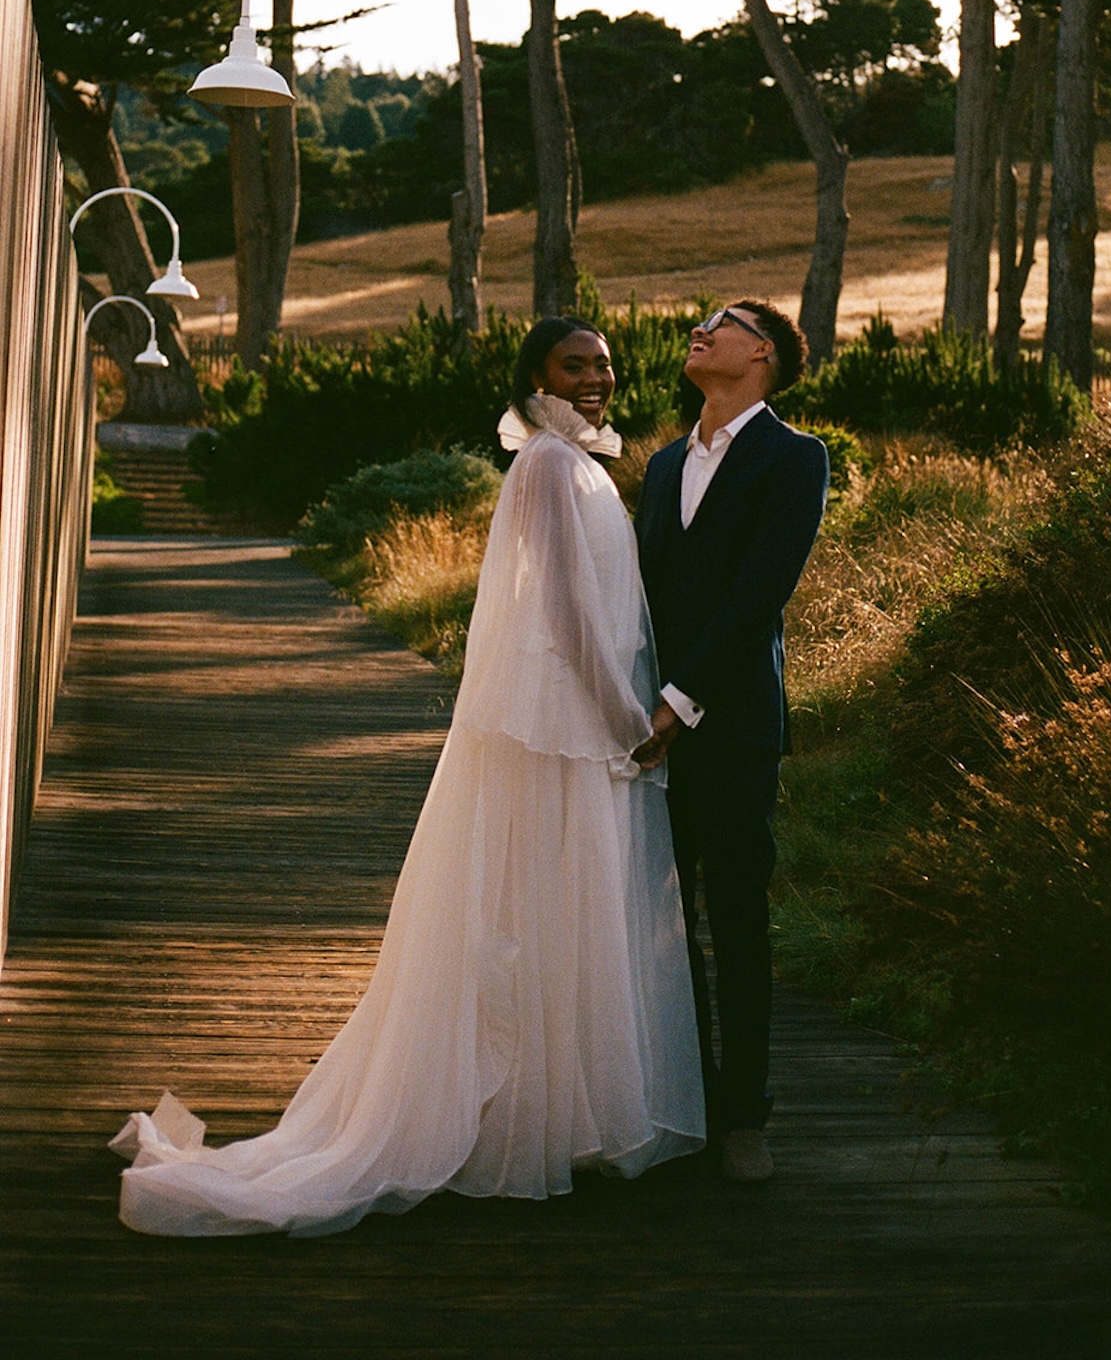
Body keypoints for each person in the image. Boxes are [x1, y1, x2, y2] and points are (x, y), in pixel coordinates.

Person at [111, 318, 705, 1236]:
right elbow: (562, 601)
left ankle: (551, 1108)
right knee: (532, 901)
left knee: (560, 901)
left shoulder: (576, 462)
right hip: (559, 721)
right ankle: (511, 1117)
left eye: (604, 365)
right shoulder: (548, 465)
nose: (596, 379)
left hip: (576, 717)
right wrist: (625, 717)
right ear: (533, 376)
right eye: (574, 365)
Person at [634, 302, 828, 1184]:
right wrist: (631, 701)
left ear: (763, 352)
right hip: (644, 733)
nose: (698, 329)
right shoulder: (665, 462)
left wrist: (681, 702)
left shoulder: (794, 458)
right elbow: (641, 594)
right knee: (660, 924)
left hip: (732, 725)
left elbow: (759, 593)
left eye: (723, 322)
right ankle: (686, 1101)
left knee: (738, 922)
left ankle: (744, 1115)